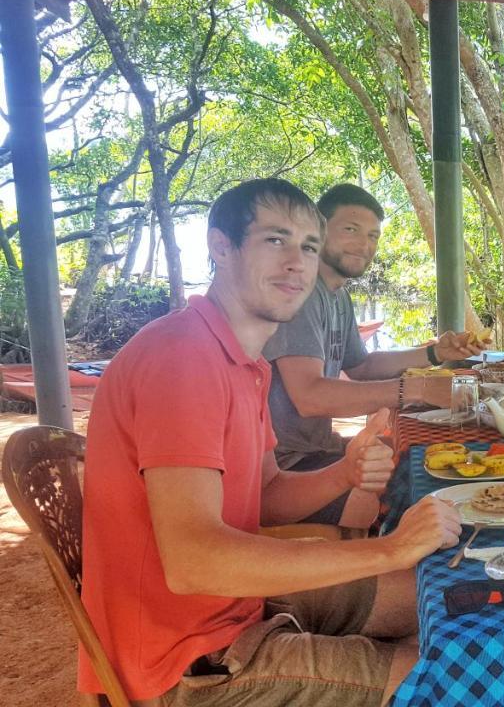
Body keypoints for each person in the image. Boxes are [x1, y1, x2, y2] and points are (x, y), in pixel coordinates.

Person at [79, 178, 462, 706]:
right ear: (221, 246)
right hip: (186, 659)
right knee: (458, 679)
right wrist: (390, 548)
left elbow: (269, 497)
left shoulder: (243, 362)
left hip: (240, 602)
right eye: (275, 240)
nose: (297, 262)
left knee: (445, 601)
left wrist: (342, 473)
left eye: (308, 245)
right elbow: (194, 562)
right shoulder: (182, 358)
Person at [264, 183, 483, 529]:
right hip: (286, 468)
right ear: (318, 230)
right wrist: (419, 389)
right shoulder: (301, 296)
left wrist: (434, 352)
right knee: (416, 490)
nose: (364, 245)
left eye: (373, 236)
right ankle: (392, 570)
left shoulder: (336, 296)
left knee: (426, 463)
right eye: (350, 230)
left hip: (318, 449)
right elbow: (310, 396)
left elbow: (361, 366)